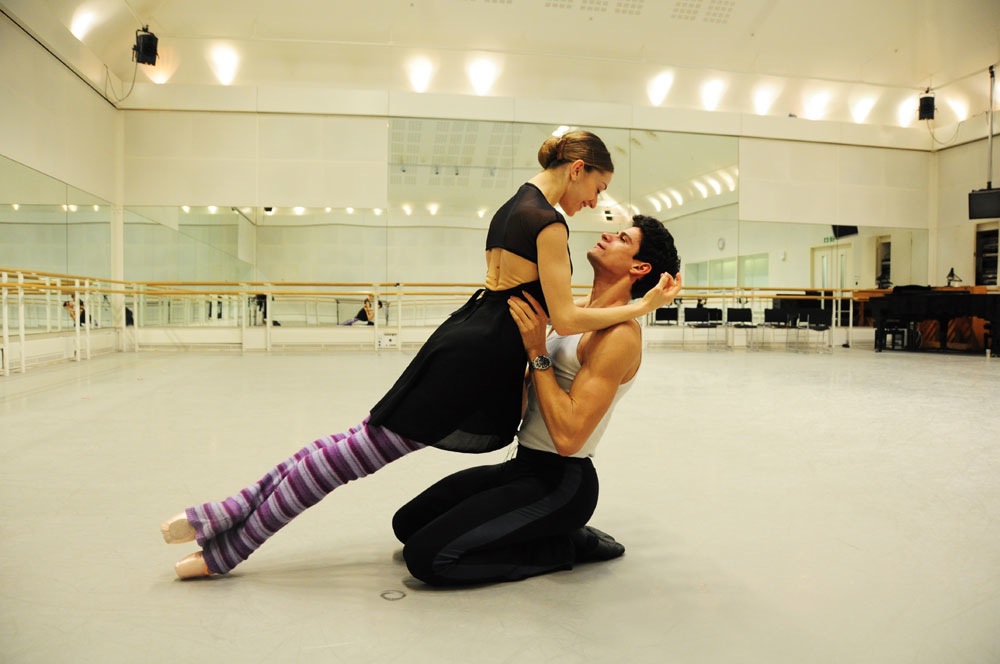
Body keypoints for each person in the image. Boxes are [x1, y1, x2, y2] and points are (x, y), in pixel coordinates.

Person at [159, 130, 682, 578]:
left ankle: (217, 518)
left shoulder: (516, 205)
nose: (596, 202)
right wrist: (643, 308)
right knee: (352, 455)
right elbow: (565, 319)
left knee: (349, 444)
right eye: (597, 187)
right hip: (474, 362)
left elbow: (566, 313)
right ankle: (228, 545)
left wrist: (634, 307)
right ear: (576, 170)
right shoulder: (550, 223)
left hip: (465, 338)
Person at [391, 215, 679, 585]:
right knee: (408, 524)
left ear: (640, 267)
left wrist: (536, 349)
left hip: (562, 483)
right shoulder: (574, 313)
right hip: (522, 467)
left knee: (427, 559)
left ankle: (562, 547)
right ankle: (542, 531)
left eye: (622, 238)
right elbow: (530, 398)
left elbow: (569, 437)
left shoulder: (619, 336)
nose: (608, 234)